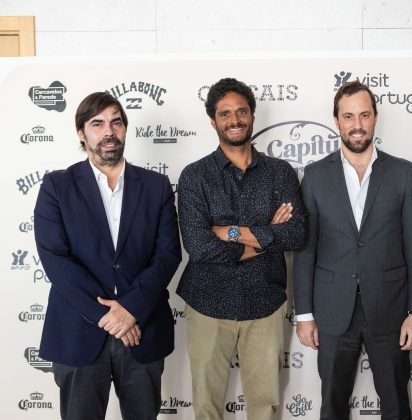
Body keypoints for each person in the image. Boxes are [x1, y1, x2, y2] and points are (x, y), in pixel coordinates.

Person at [34, 92, 182, 420]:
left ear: (125, 129)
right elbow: (56, 259)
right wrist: (112, 318)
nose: (108, 131)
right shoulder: (57, 186)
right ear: (81, 133)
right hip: (78, 333)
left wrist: (130, 310)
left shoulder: (157, 186)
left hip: (141, 331)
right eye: (97, 123)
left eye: (116, 122)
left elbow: (168, 254)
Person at [293, 80, 412, 420]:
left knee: (397, 405)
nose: (357, 125)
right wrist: (305, 314)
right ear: (337, 121)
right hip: (332, 311)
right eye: (349, 116)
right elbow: (305, 252)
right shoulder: (314, 176)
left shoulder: (401, 173)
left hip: (391, 310)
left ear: (375, 118)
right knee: (333, 405)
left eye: (364, 115)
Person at [176, 77, 306, 420]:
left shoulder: (279, 172)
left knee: (265, 406)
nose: (234, 119)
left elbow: (294, 234)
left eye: (241, 111)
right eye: (225, 113)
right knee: (206, 406)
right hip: (207, 303)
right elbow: (200, 246)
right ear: (213, 120)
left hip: (265, 302)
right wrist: (266, 237)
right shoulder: (194, 176)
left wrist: (230, 232)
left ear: (252, 114)